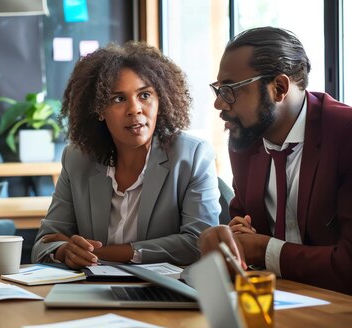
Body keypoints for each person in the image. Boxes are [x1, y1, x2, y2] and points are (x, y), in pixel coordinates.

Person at [31, 41, 221, 269]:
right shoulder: (78, 159)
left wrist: (103, 253)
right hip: (91, 291)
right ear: (99, 110)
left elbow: (198, 243)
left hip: (161, 293)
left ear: (160, 99)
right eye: (118, 99)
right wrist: (64, 251)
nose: (135, 109)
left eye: (145, 95)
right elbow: (44, 243)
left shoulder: (192, 156)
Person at [198, 27, 352, 295]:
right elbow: (243, 226)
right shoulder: (246, 140)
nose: (219, 105)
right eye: (219, 90)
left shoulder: (345, 135)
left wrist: (261, 248)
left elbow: (349, 265)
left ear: (279, 88)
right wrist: (231, 237)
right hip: (280, 300)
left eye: (230, 91)